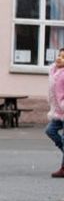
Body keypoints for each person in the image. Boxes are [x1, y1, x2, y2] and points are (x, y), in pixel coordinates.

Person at [45, 48, 64, 178]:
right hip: (58, 111)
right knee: (50, 130)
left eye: (63, 57)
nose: (59, 58)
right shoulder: (54, 71)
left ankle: (63, 169)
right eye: (59, 55)